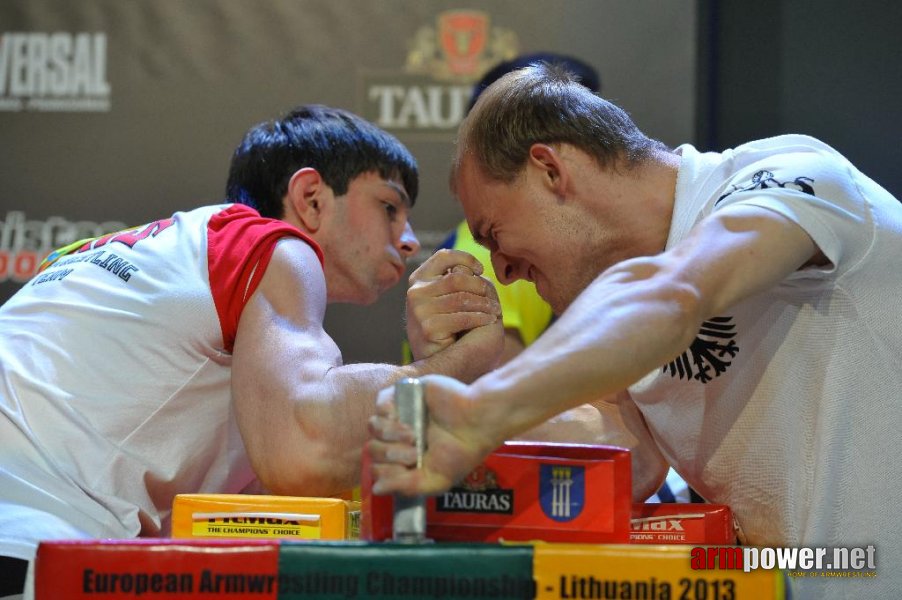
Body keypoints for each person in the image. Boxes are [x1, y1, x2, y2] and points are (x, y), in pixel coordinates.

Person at [368, 64, 901, 598]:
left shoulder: (790, 174)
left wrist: (481, 410)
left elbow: (678, 293)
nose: (502, 269)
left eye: (494, 233)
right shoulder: (620, 318)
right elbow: (625, 459)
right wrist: (453, 371)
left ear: (550, 169)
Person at [0, 104, 504, 598]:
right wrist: (453, 367)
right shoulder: (269, 246)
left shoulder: (121, 259)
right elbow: (305, 452)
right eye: (389, 208)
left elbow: (278, 498)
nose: (410, 239)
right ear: (310, 198)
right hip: (27, 542)